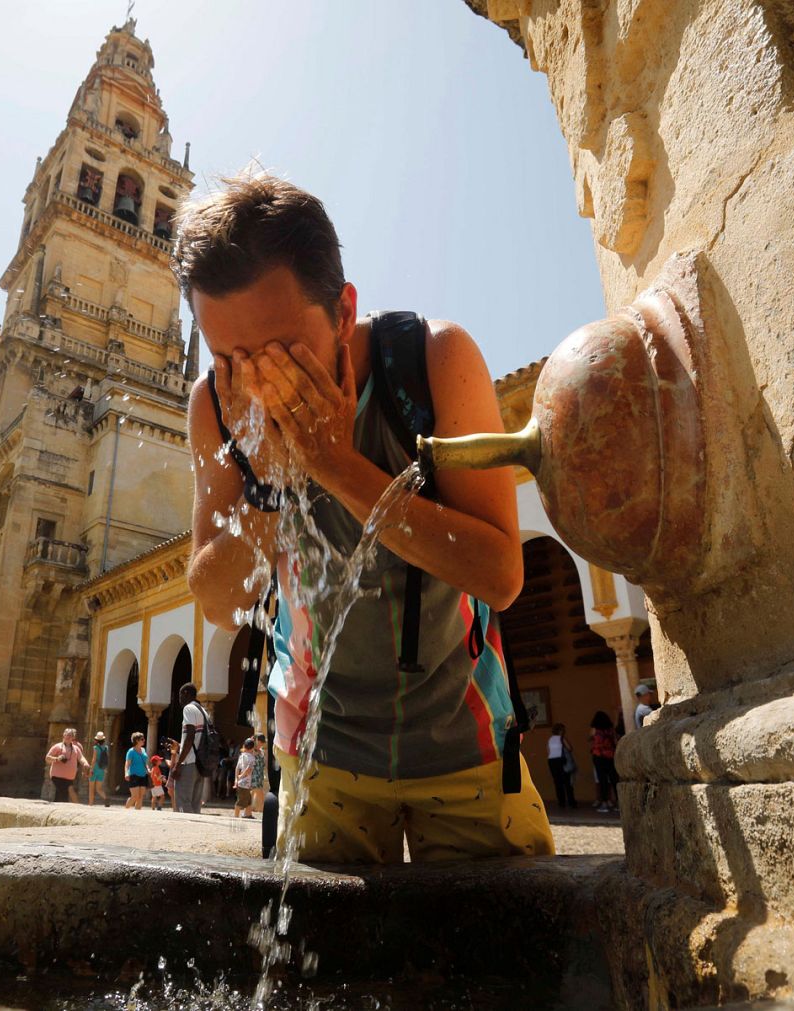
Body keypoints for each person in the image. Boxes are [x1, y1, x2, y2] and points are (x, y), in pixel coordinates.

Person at [177, 175, 553, 863]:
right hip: (320, 759)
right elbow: (218, 600)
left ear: (344, 311)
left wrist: (337, 466)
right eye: (230, 358)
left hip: (465, 749)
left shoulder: (434, 361)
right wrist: (269, 482)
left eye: (284, 352)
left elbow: (499, 574)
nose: (259, 382)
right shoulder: (217, 409)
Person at [172, 682, 211, 814]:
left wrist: (178, 764)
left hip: (189, 762)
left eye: (180, 695)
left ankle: (184, 830)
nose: (179, 699)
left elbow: (190, 737)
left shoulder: (188, 709)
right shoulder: (204, 711)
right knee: (195, 804)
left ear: (185, 693)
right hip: (200, 764)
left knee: (182, 802)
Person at [588, 711, 620, 813]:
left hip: (598, 756)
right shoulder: (610, 730)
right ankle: (618, 803)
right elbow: (615, 740)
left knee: (602, 780)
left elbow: (590, 738)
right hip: (610, 755)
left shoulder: (594, 730)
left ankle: (605, 802)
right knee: (613, 779)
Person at [45, 728, 88, 802]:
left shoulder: (76, 748)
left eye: (70, 735)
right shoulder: (57, 746)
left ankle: (57, 808)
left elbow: (81, 758)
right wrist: (57, 758)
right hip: (57, 776)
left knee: (62, 795)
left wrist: (85, 763)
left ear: (73, 737)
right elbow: (47, 758)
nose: (68, 736)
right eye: (66, 735)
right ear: (63, 735)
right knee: (62, 793)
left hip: (69, 777)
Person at [546, 723, 577, 810]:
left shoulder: (550, 739)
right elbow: (570, 748)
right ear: (561, 731)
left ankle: (561, 802)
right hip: (561, 761)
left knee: (557, 782)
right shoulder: (562, 738)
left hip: (552, 762)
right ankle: (572, 802)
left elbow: (548, 751)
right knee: (567, 783)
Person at [232, 737, 260, 819]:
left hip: (241, 783)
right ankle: (235, 817)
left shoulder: (242, 756)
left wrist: (236, 779)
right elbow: (249, 769)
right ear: (252, 748)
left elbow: (237, 767)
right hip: (245, 783)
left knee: (248, 801)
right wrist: (241, 776)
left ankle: (248, 814)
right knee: (240, 802)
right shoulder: (252, 758)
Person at [123, 732, 150, 809]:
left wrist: (148, 769)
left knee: (141, 797)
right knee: (135, 796)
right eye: (142, 739)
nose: (144, 740)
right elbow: (127, 764)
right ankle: (125, 811)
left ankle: (137, 814)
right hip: (134, 775)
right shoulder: (131, 751)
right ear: (137, 740)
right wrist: (126, 773)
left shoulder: (143, 750)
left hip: (143, 775)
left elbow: (145, 763)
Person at [88, 731, 111, 807]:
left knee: (91, 788)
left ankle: (90, 804)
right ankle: (106, 798)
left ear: (96, 740)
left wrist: (91, 769)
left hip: (95, 769)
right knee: (99, 788)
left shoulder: (95, 748)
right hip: (102, 769)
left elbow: (94, 759)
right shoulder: (106, 748)